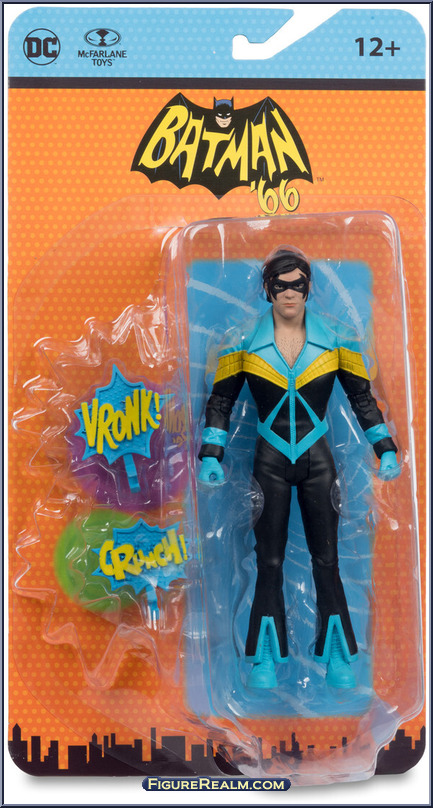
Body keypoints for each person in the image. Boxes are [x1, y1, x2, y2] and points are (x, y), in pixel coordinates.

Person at [198, 247, 400, 689]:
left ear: (309, 288)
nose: (289, 293)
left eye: (298, 285)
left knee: (326, 560)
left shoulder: (340, 339)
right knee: (267, 561)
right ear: (267, 289)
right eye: (280, 285)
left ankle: (338, 656)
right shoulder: (240, 341)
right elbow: (221, 401)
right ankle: (264, 657)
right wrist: (211, 453)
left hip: (318, 457)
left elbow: (362, 399)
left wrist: (384, 448)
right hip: (269, 458)